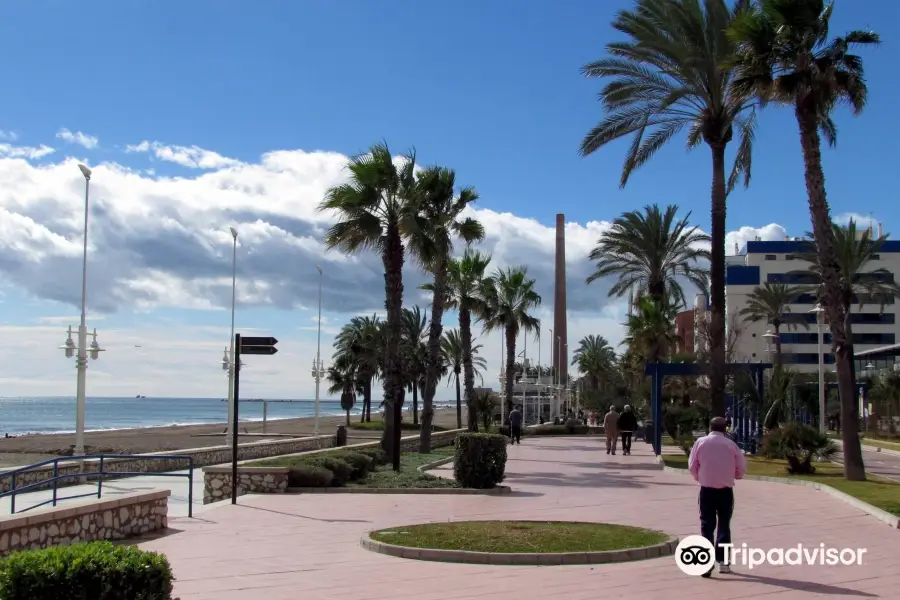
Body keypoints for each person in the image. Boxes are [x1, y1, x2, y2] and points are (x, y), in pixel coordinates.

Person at [688, 416, 747, 577]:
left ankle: (706, 564)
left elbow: (692, 465)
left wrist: (699, 477)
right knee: (724, 525)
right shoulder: (731, 445)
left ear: (710, 427)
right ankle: (723, 562)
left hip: (706, 490)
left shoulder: (701, 443)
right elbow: (741, 468)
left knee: (706, 526)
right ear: (725, 428)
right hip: (725, 490)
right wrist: (735, 475)